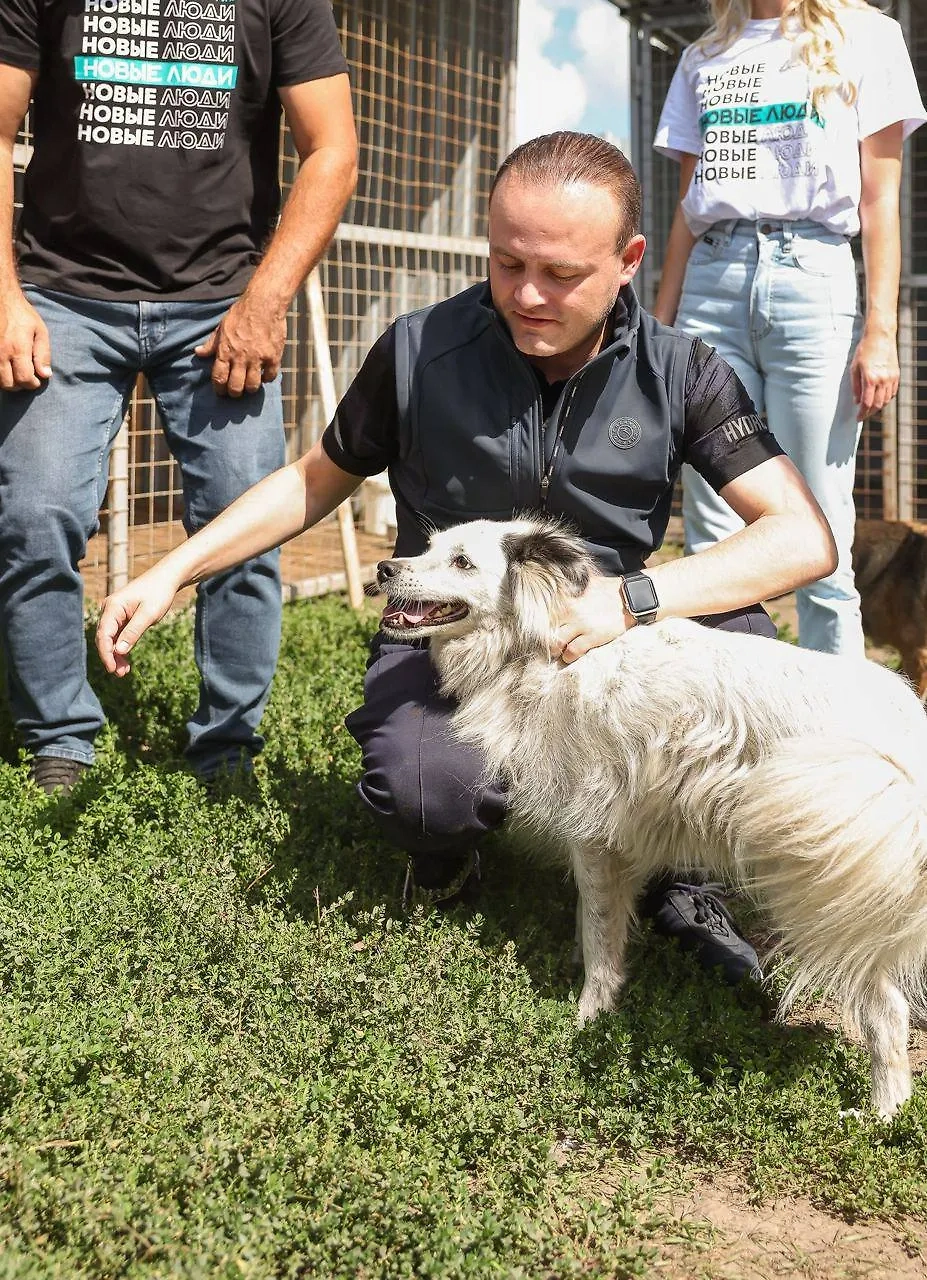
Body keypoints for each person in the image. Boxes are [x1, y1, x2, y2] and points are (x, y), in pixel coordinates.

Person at [97, 132, 837, 982]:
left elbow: (800, 537)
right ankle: (450, 853)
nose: (526, 295)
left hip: (610, 637)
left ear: (629, 259)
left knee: (738, 650)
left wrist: (627, 600)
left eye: (560, 274)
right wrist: (170, 569)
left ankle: (676, 874)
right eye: (506, 261)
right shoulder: (418, 348)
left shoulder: (682, 371)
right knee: (427, 792)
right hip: (456, 634)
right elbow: (314, 481)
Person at [0, 0, 358, 793]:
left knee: (246, 526)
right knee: (33, 516)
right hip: (64, 296)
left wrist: (266, 299)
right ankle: (58, 735)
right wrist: (3, 294)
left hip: (221, 304)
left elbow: (330, 147)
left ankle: (227, 747)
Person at [652, 0, 926, 656]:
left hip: (813, 278)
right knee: (710, 531)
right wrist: (658, 327)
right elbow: (689, 208)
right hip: (710, 282)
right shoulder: (702, 56)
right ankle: (726, 730)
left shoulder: (867, 35)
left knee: (822, 531)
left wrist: (879, 331)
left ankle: (840, 739)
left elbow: (879, 198)